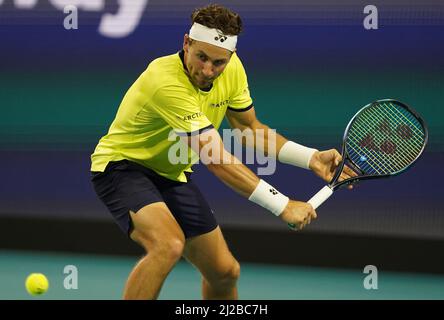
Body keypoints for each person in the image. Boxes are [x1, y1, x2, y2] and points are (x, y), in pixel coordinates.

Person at [90, 4, 355, 300]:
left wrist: (310, 158)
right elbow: (216, 159)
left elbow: (249, 128)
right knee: (168, 245)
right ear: (186, 43)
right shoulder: (164, 81)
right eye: (201, 57)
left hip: (170, 173)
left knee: (224, 272)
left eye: (218, 62)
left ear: (230, 57)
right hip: (122, 167)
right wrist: (282, 205)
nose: (207, 70)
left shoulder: (232, 69)